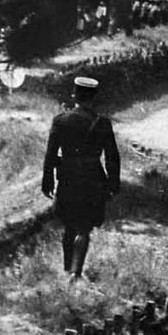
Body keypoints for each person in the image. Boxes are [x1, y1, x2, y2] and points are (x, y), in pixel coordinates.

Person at [41, 76, 120, 279]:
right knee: (84, 227)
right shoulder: (102, 124)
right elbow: (112, 157)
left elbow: (50, 155)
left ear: (74, 95)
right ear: (93, 98)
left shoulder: (60, 121)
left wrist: (47, 181)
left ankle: (67, 268)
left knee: (69, 224)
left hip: (68, 178)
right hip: (93, 180)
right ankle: (77, 272)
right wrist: (113, 184)